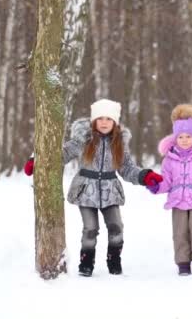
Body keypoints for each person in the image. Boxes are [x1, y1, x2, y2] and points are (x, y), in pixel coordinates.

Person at [25, 99, 163, 277]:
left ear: (115, 122)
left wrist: (145, 176)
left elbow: (127, 168)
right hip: (86, 191)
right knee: (90, 228)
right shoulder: (82, 140)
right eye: (100, 118)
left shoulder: (119, 143)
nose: (104, 122)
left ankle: (114, 261)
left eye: (109, 119)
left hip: (110, 191)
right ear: (94, 121)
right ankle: (86, 263)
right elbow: (60, 154)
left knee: (116, 226)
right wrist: (36, 160)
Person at [147, 104, 192, 276]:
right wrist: (156, 186)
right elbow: (167, 182)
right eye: (180, 137)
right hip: (178, 202)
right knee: (180, 234)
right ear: (175, 138)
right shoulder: (169, 160)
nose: (184, 140)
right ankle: (183, 263)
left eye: (188, 136)